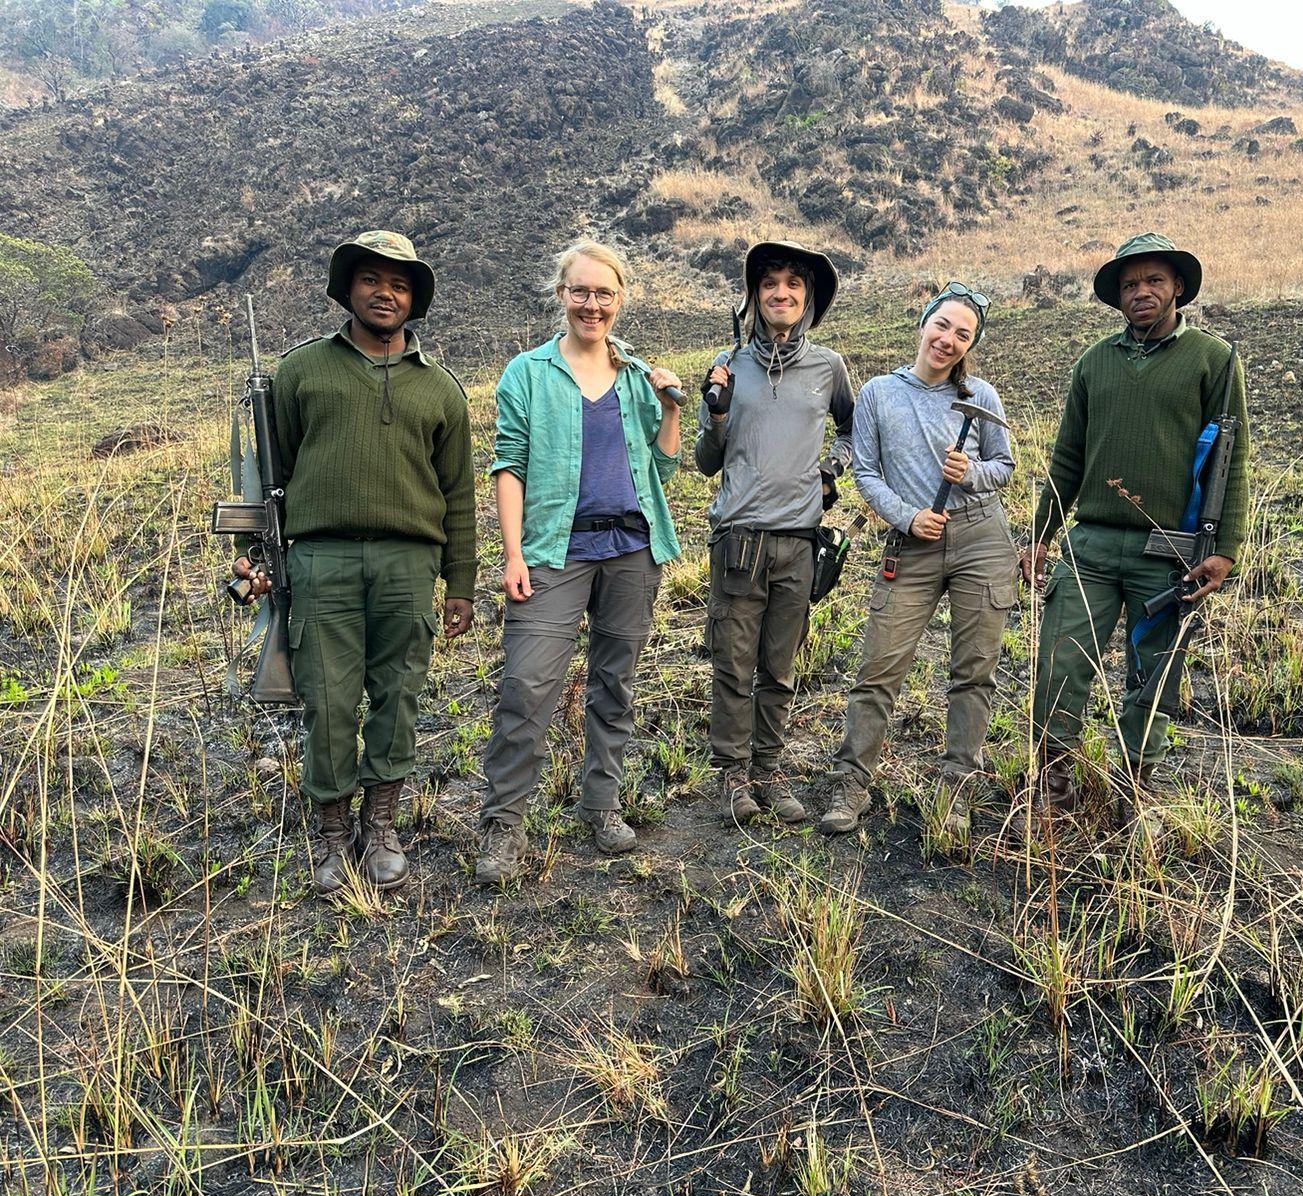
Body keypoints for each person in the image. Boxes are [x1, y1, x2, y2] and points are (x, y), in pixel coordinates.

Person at [232, 229, 477, 895]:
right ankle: (333, 832)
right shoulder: (301, 371)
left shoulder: (441, 389)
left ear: (413, 300)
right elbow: (266, 475)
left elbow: (458, 495)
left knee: (397, 696)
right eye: (372, 279)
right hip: (322, 561)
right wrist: (252, 560)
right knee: (329, 701)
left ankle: (382, 825)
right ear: (349, 289)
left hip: (408, 565)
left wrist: (461, 584)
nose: (385, 293)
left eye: (399, 284)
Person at [1022, 232, 1250, 819]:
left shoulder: (1215, 360)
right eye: (1129, 284)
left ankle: (1133, 789)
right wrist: (1040, 534)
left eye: (1153, 280)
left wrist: (1222, 551)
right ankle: (1053, 787)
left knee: (1153, 678)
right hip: (1090, 544)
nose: (1141, 292)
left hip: (1167, 550)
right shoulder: (1093, 362)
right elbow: (1067, 458)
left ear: (1177, 287)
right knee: (1059, 663)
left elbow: (1232, 458)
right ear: (1117, 297)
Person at [474, 240, 683, 879]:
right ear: (561, 294)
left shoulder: (638, 374)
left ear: (621, 300)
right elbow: (507, 464)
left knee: (614, 684)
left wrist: (671, 406)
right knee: (527, 686)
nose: (593, 305)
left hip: (631, 551)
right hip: (553, 552)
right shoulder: (527, 374)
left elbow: (663, 464)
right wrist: (513, 554)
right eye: (581, 291)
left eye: (605, 294)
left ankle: (602, 804)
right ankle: (504, 826)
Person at [820, 283, 1016, 836]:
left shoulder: (981, 396)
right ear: (923, 322)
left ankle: (955, 789)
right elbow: (865, 473)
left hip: (981, 539)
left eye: (963, 334)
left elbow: (1003, 464)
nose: (948, 340)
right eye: (943, 325)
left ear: (971, 343)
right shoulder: (880, 393)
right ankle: (851, 784)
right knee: (878, 669)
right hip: (913, 543)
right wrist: (907, 518)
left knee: (973, 671)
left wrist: (970, 474)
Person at [696, 241, 854, 825]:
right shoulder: (728, 364)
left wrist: (828, 472)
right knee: (733, 665)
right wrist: (716, 417)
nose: (781, 293)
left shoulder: (828, 367)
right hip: (738, 539)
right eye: (769, 284)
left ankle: (769, 770)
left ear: (807, 297)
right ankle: (733, 776)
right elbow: (706, 461)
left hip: (799, 540)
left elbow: (853, 431)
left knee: (779, 667)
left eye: (793, 283)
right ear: (754, 296)